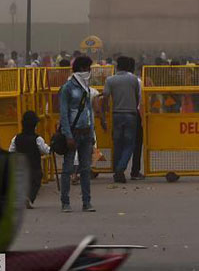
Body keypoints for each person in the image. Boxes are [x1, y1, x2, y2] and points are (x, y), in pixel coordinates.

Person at [58, 55, 96, 212]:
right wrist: (68, 136)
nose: (89, 71)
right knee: (67, 169)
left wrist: (92, 133)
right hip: (73, 133)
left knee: (85, 169)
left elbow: (89, 112)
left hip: (86, 133)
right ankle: (65, 202)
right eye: (88, 68)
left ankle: (86, 202)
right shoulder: (67, 88)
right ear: (82, 69)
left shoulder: (85, 87)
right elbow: (64, 114)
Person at [102, 56, 140, 184]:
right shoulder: (134, 79)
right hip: (131, 113)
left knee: (117, 143)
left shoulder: (110, 80)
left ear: (117, 65)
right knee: (129, 144)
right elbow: (137, 97)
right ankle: (120, 169)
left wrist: (105, 112)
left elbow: (105, 97)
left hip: (116, 114)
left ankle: (117, 169)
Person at [9, 110, 50, 208]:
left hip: (20, 166)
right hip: (34, 167)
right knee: (36, 181)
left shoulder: (16, 138)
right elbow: (46, 150)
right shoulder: (37, 139)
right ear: (35, 125)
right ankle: (29, 197)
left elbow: (11, 151)